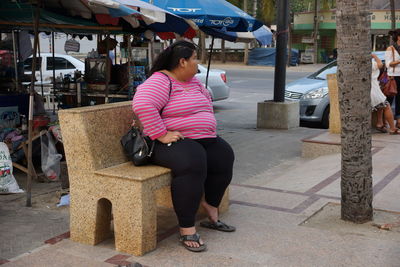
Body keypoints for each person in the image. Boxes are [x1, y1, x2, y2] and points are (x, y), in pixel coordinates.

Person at [132, 40, 235, 252]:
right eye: (195, 58)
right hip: (166, 143)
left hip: (201, 137)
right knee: (193, 161)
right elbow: (142, 104)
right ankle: (187, 228)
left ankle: (211, 206)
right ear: (182, 62)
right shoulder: (162, 81)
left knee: (224, 155)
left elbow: (205, 103)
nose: (198, 64)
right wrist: (161, 134)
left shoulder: (193, 81)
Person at [371, 53, 399, 134]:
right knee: (386, 105)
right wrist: (374, 56)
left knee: (381, 106)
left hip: (377, 88)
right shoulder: (373, 63)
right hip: (376, 89)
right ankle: (392, 128)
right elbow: (380, 65)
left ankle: (380, 123)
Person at [385, 29, 400, 127]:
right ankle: (383, 121)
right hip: (393, 77)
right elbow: (388, 64)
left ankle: (398, 120)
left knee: (399, 99)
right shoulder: (391, 49)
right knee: (388, 99)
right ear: (398, 37)